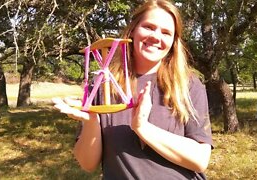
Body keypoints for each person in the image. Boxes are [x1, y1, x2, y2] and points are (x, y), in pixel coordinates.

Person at [53, 0, 213, 179]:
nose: (156, 36)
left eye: (166, 32)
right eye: (149, 27)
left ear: (173, 42)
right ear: (133, 31)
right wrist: (91, 121)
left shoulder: (188, 84)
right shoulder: (103, 85)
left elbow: (200, 159)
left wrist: (142, 127)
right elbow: (88, 164)